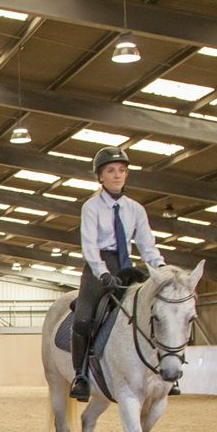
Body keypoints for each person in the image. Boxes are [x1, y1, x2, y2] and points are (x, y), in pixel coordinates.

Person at [68, 146, 167, 402]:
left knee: (157, 312)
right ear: (100, 177)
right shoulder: (91, 207)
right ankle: (80, 375)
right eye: (111, 171)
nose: (117, 175)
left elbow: (147, 246)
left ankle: (162, 373)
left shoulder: (136, 209)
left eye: (121, 170)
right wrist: (101, 272)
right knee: (83, 320)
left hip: (125, 267)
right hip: (97, 267)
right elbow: (89, 246)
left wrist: (160, 269)